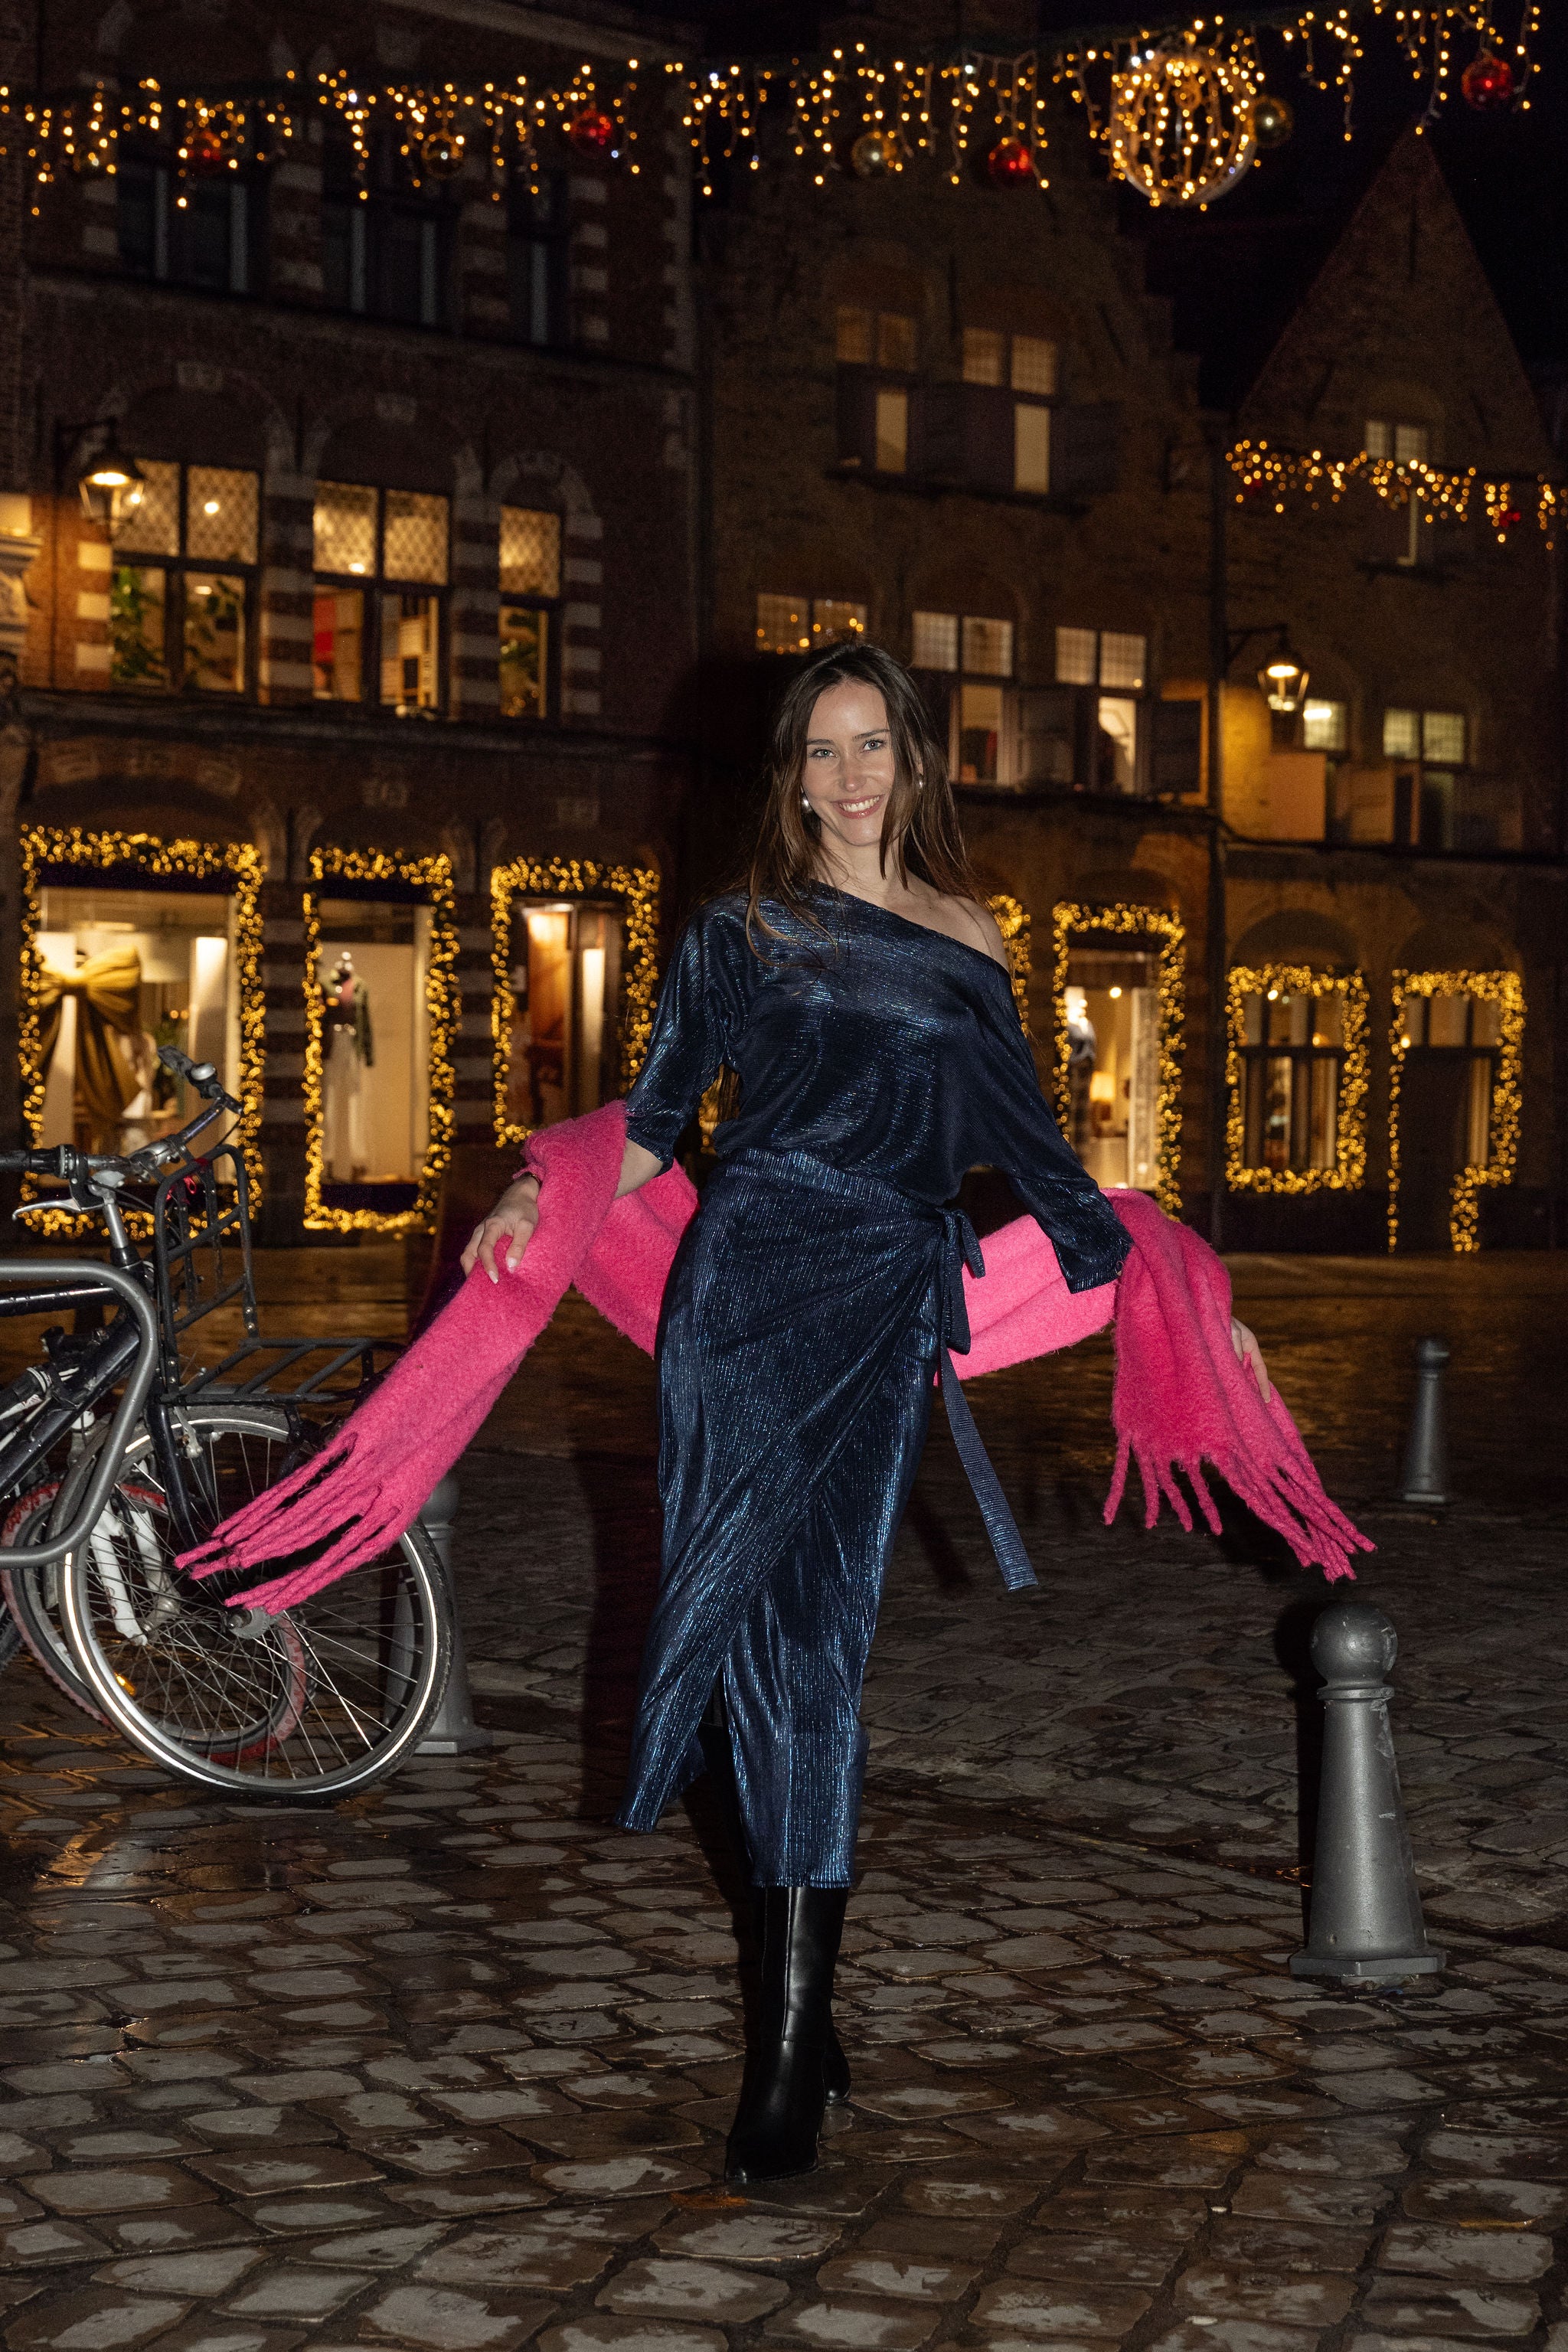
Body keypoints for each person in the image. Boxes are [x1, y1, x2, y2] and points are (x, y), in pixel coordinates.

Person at [462, 642, 1269, 2184]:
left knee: (817, 1653)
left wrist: (1186, 1300)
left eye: (871, 746)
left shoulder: (969, 937)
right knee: (718, 1643)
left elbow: (1038, 1154)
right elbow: (654, 1124)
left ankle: (785, 2044)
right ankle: (798, 2000)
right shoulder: (739, 929)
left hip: (884, 1306)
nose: (847, 778)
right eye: (821, 751)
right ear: (791, 772)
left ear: (914, 758)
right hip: (740, 1298)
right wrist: (533, 1191)